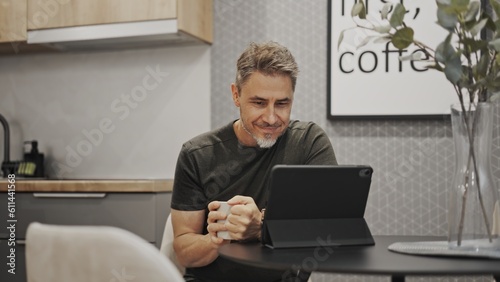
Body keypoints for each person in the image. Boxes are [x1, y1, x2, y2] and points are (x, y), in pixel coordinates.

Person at [170, 41, 338, 282]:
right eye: (259, 103)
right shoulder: (198, 154)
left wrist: (261, 225)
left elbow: (331, 226)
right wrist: (219, 237)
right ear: (236, 95)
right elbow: (185, 253)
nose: (271, 117)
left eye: (282, 103)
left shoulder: (308, 142)